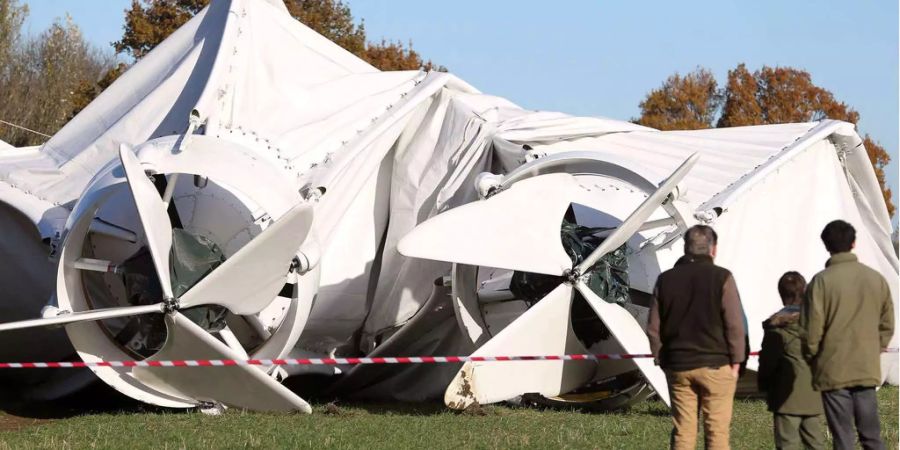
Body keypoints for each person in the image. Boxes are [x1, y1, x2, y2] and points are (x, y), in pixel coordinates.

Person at [648, 225, 746, 450]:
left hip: (679, 366)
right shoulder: (723, 277)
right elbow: (734, 323)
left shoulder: (665, 280)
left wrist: (662, 359)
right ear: (714, 249)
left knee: (683, 430)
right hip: (716, 365)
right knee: (717, 431)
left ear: (685, 249)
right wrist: (737, 361)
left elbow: (653, 327)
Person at [801, 220, 894, 450]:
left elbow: (810, 329)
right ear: (854, 242)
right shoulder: (875, 279)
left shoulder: (820, 282)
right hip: (866, 366)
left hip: (833, 369)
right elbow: (888, 322)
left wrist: (814, 357)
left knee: (843, 439)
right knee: (872, 436)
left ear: (826, 245)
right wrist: (876, 346)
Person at [758, 272, 825, 450]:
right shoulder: (818, 322)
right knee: (815, 443)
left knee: (787, 444)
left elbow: (768, 362)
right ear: (804, 290)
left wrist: (763, 385)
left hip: (785, 394)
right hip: (813, 391)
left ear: (781, 294)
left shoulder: (776, 328)